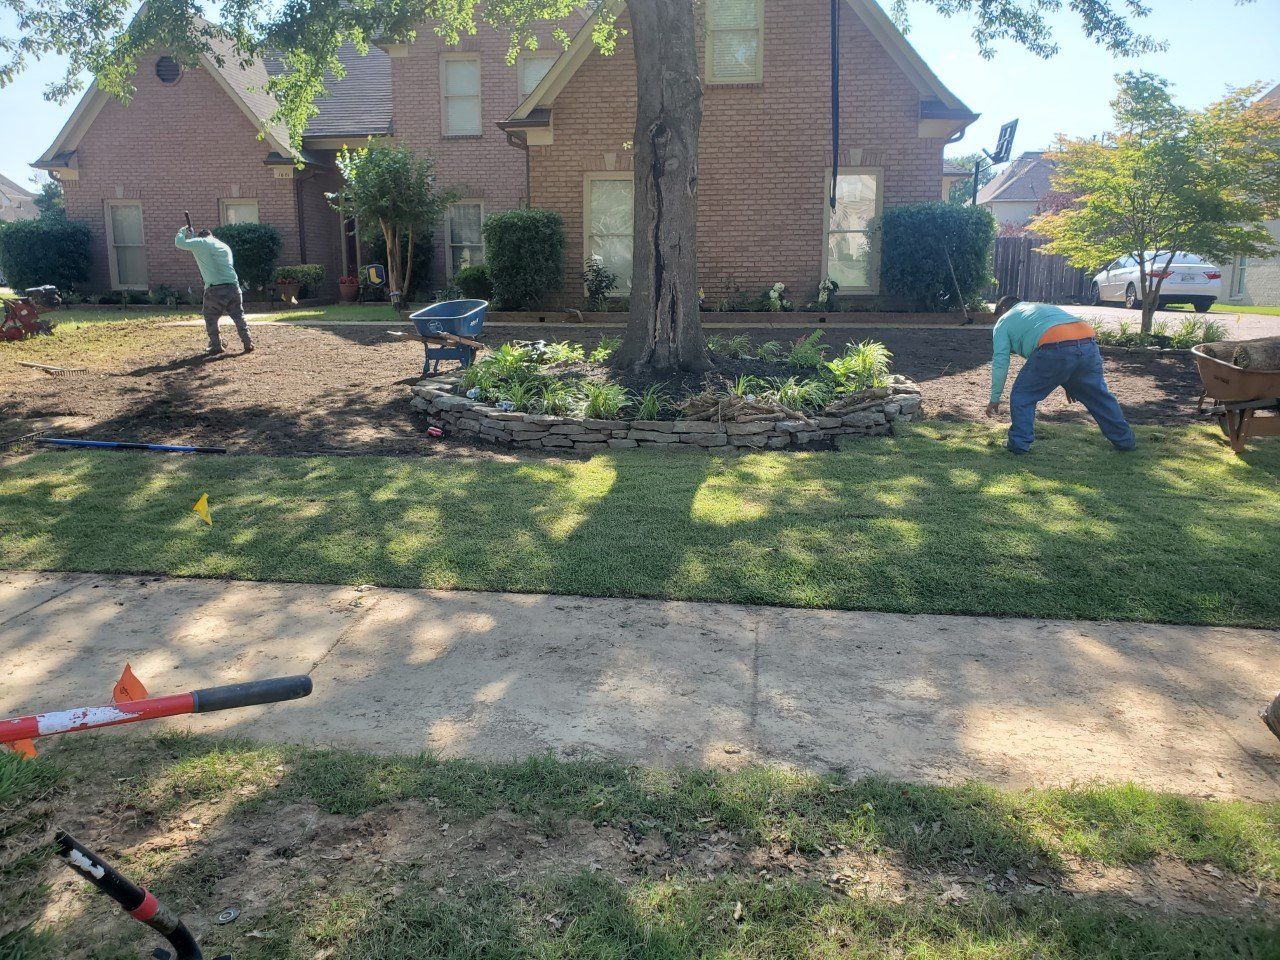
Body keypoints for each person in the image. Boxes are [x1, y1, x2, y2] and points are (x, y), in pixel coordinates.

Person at [985, 296, 1134, 454]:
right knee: (1099, 397)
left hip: (1053, 348)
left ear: (1002, 310)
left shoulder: (1004, 321)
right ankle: (1125, 440)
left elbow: (1000, 362)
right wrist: (1071, 381)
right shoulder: (1041, 307)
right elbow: (1066, 342)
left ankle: (1018, 445)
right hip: (1088, 343)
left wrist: (995, 398)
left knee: (1022, 396)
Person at [175, 225, 253, 354]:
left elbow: (179, 243)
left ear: (201, 237)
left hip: (215, 289)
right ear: (212, 235)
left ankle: (216, 345)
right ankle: (248, 342)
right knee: (239, 316)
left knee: (210, 317)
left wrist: (183, 230)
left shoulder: (200, 242)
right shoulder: (224, 246)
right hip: (233, 286)